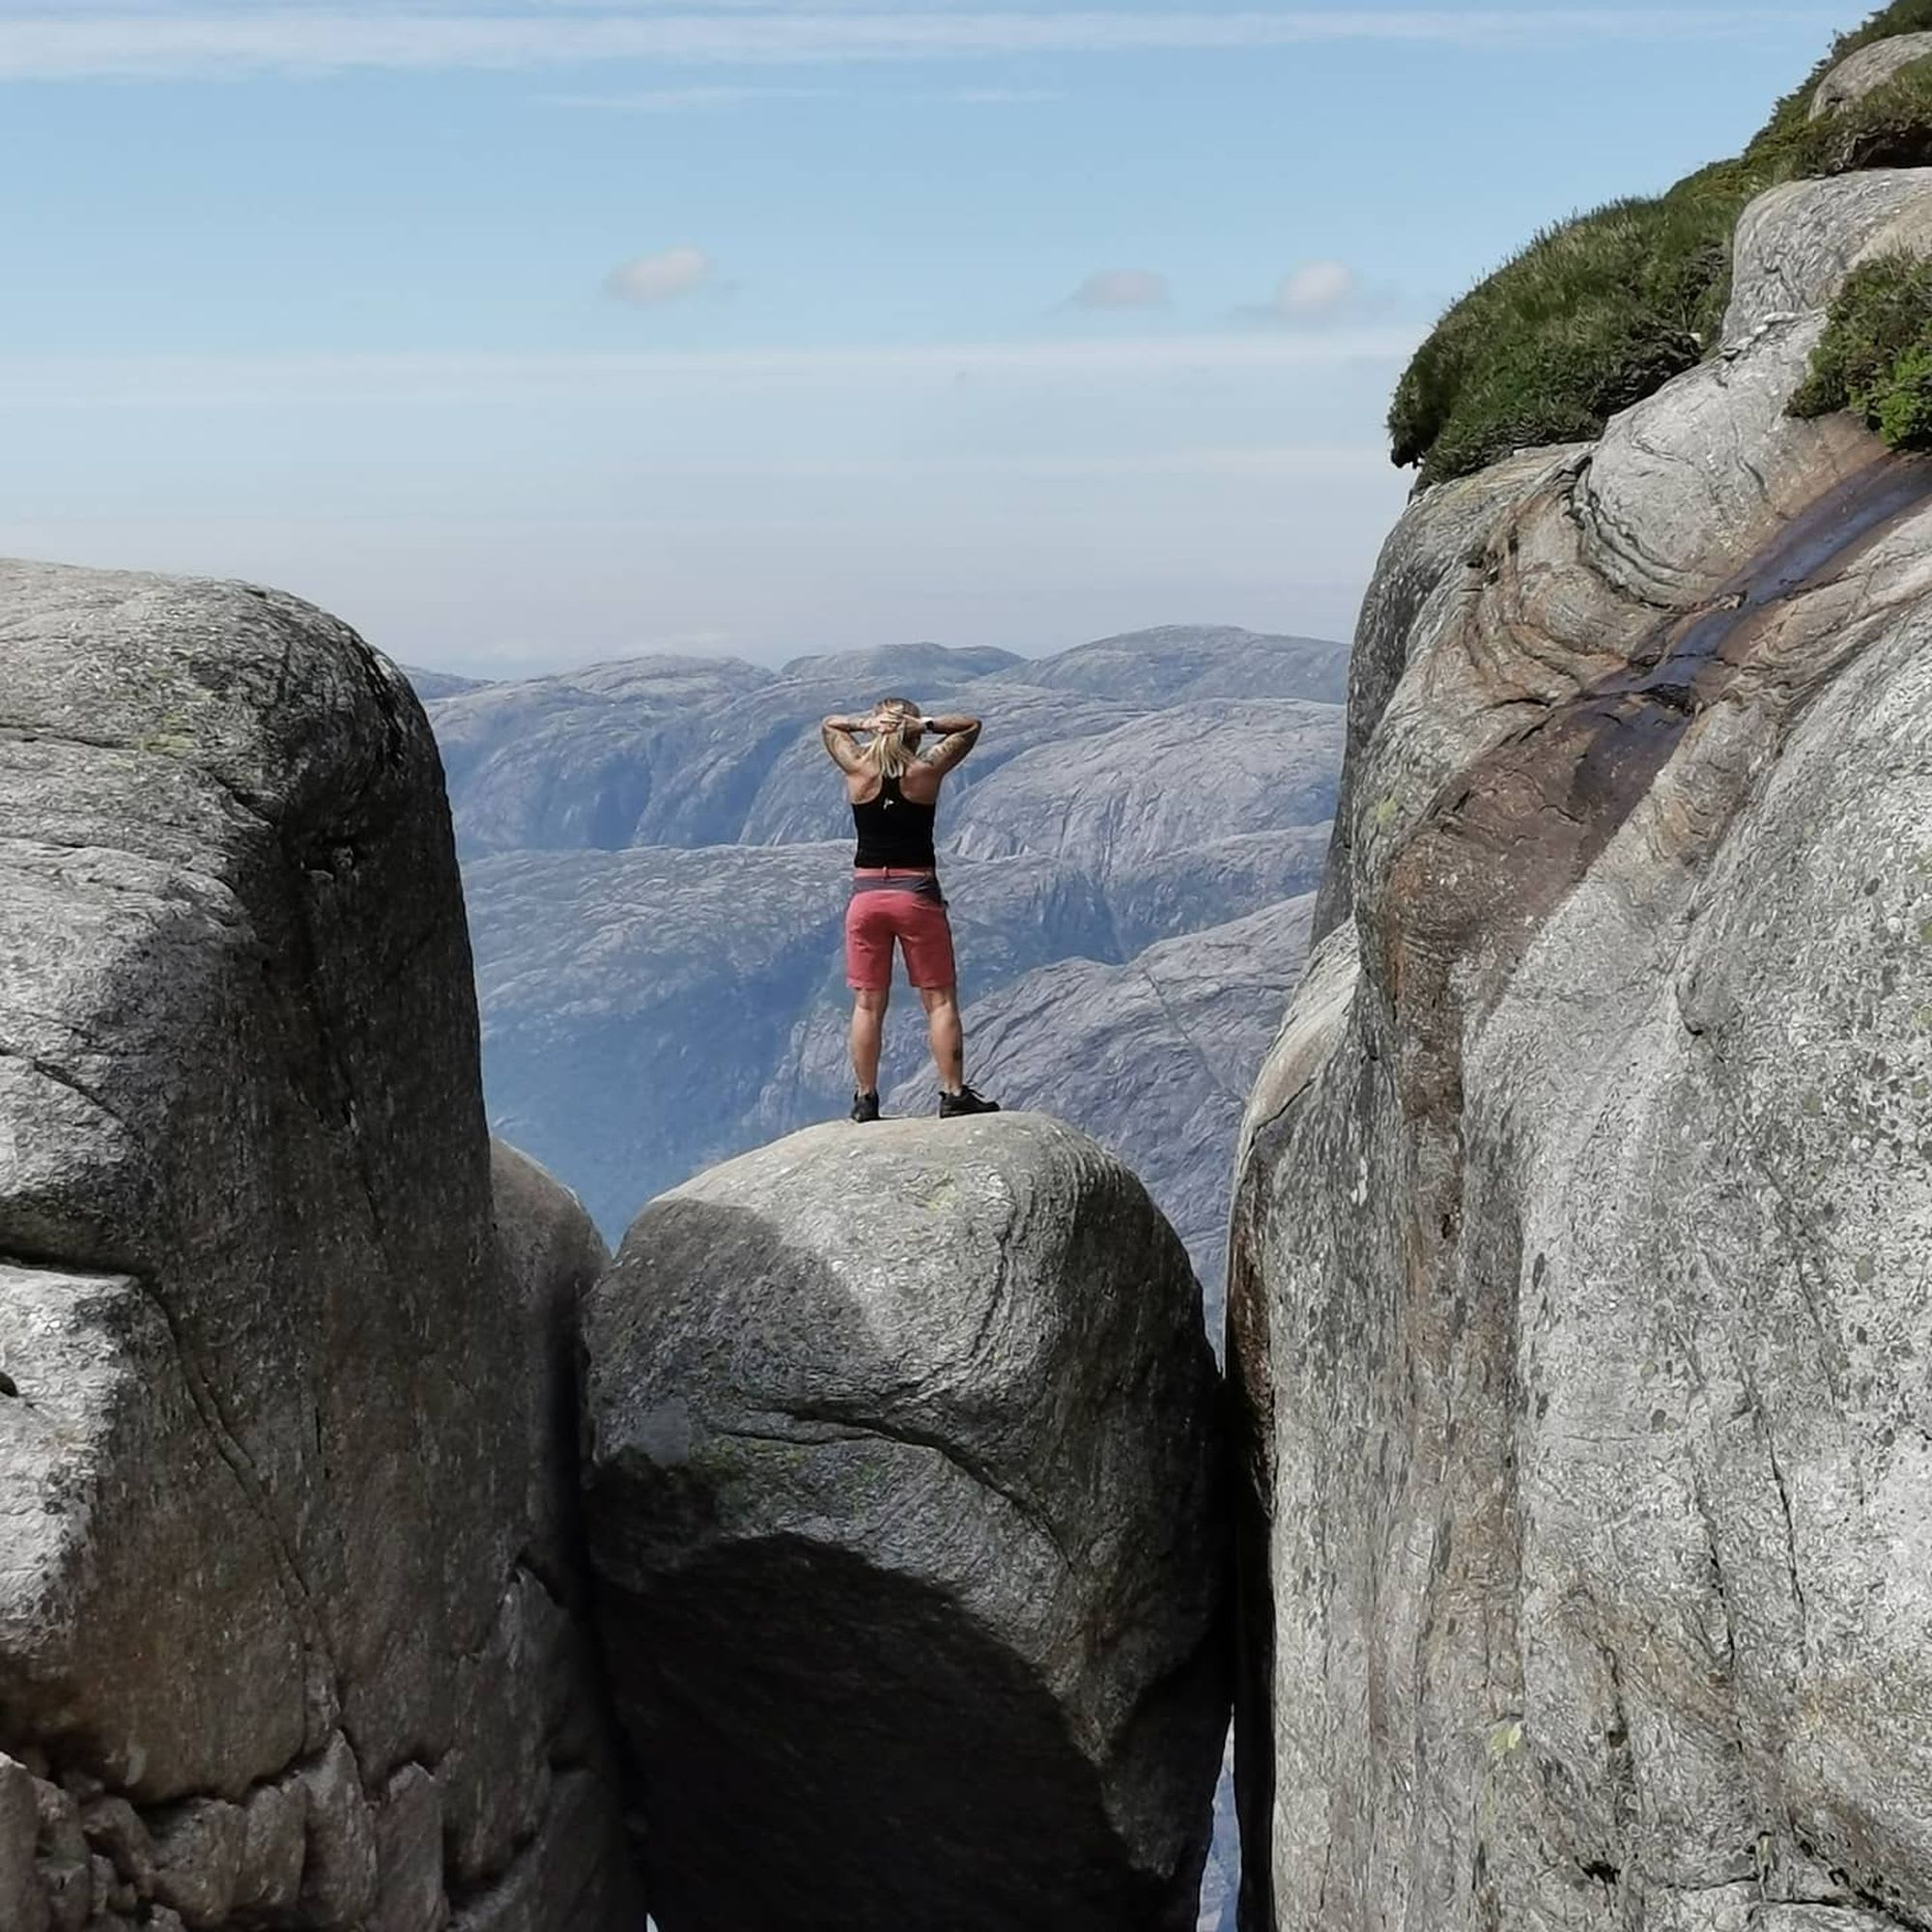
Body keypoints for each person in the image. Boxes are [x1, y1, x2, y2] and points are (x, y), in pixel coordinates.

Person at [820, 696, 1001, 1123]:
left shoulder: (857, 771)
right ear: (915, 732)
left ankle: (865, 1098)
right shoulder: (925, 772)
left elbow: (830, 726)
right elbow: (970, 725)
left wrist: (865, 724)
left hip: (865, 899)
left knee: (867, 1004)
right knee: (938, 1000)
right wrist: (924, 723)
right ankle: (953, 1093)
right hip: (916, 896)